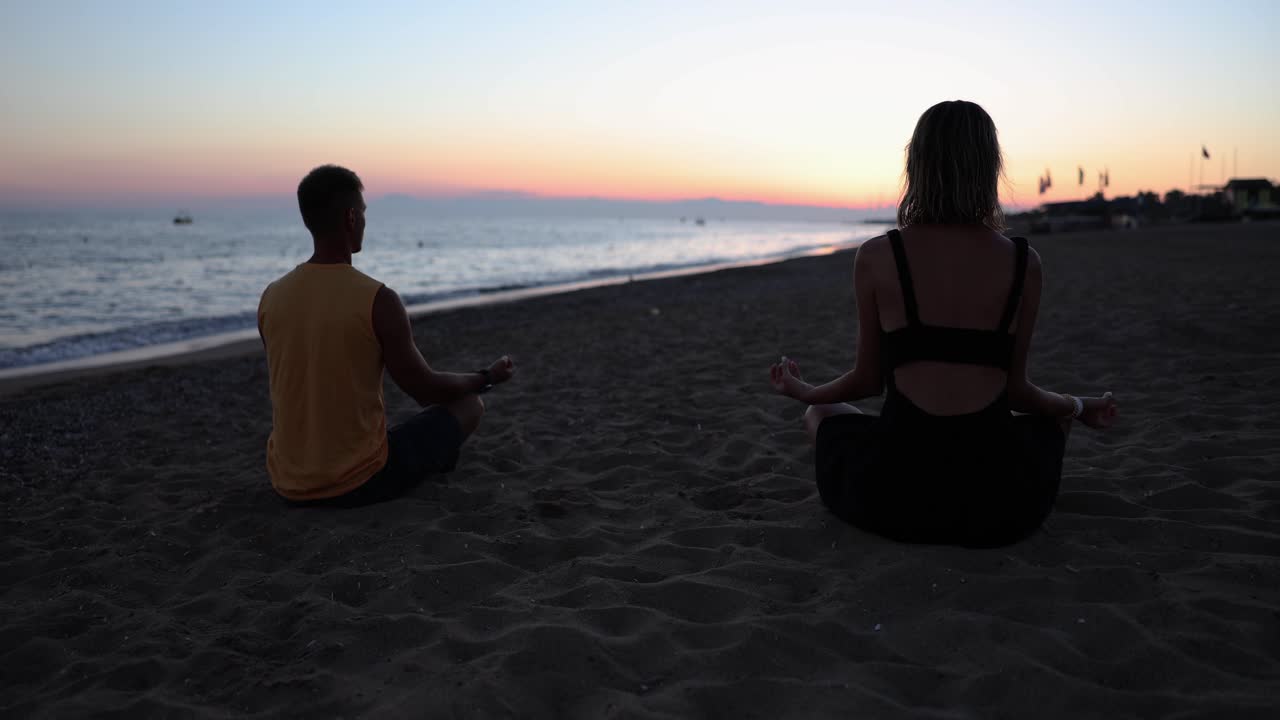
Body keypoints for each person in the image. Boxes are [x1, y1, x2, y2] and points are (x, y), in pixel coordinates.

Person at [768, 101, 1117, 547]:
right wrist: (1081, 407)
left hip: (893, 498)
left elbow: (866, 381)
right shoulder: (1023, 263)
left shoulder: (878, 256)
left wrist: (804, 392)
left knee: (822, 415)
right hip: (1000, 508)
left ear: (917, 163)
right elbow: (1018, 393)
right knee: (1054, 421)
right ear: (990, 166)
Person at [258, 165, 515, 507]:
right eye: (363, 213)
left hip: (287, 483)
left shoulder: (272, 297)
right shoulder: (378, 300)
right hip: (359, 482)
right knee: (469, 405)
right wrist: (486, 377)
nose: (365, 221)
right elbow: (426, 391)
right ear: (351, 217)